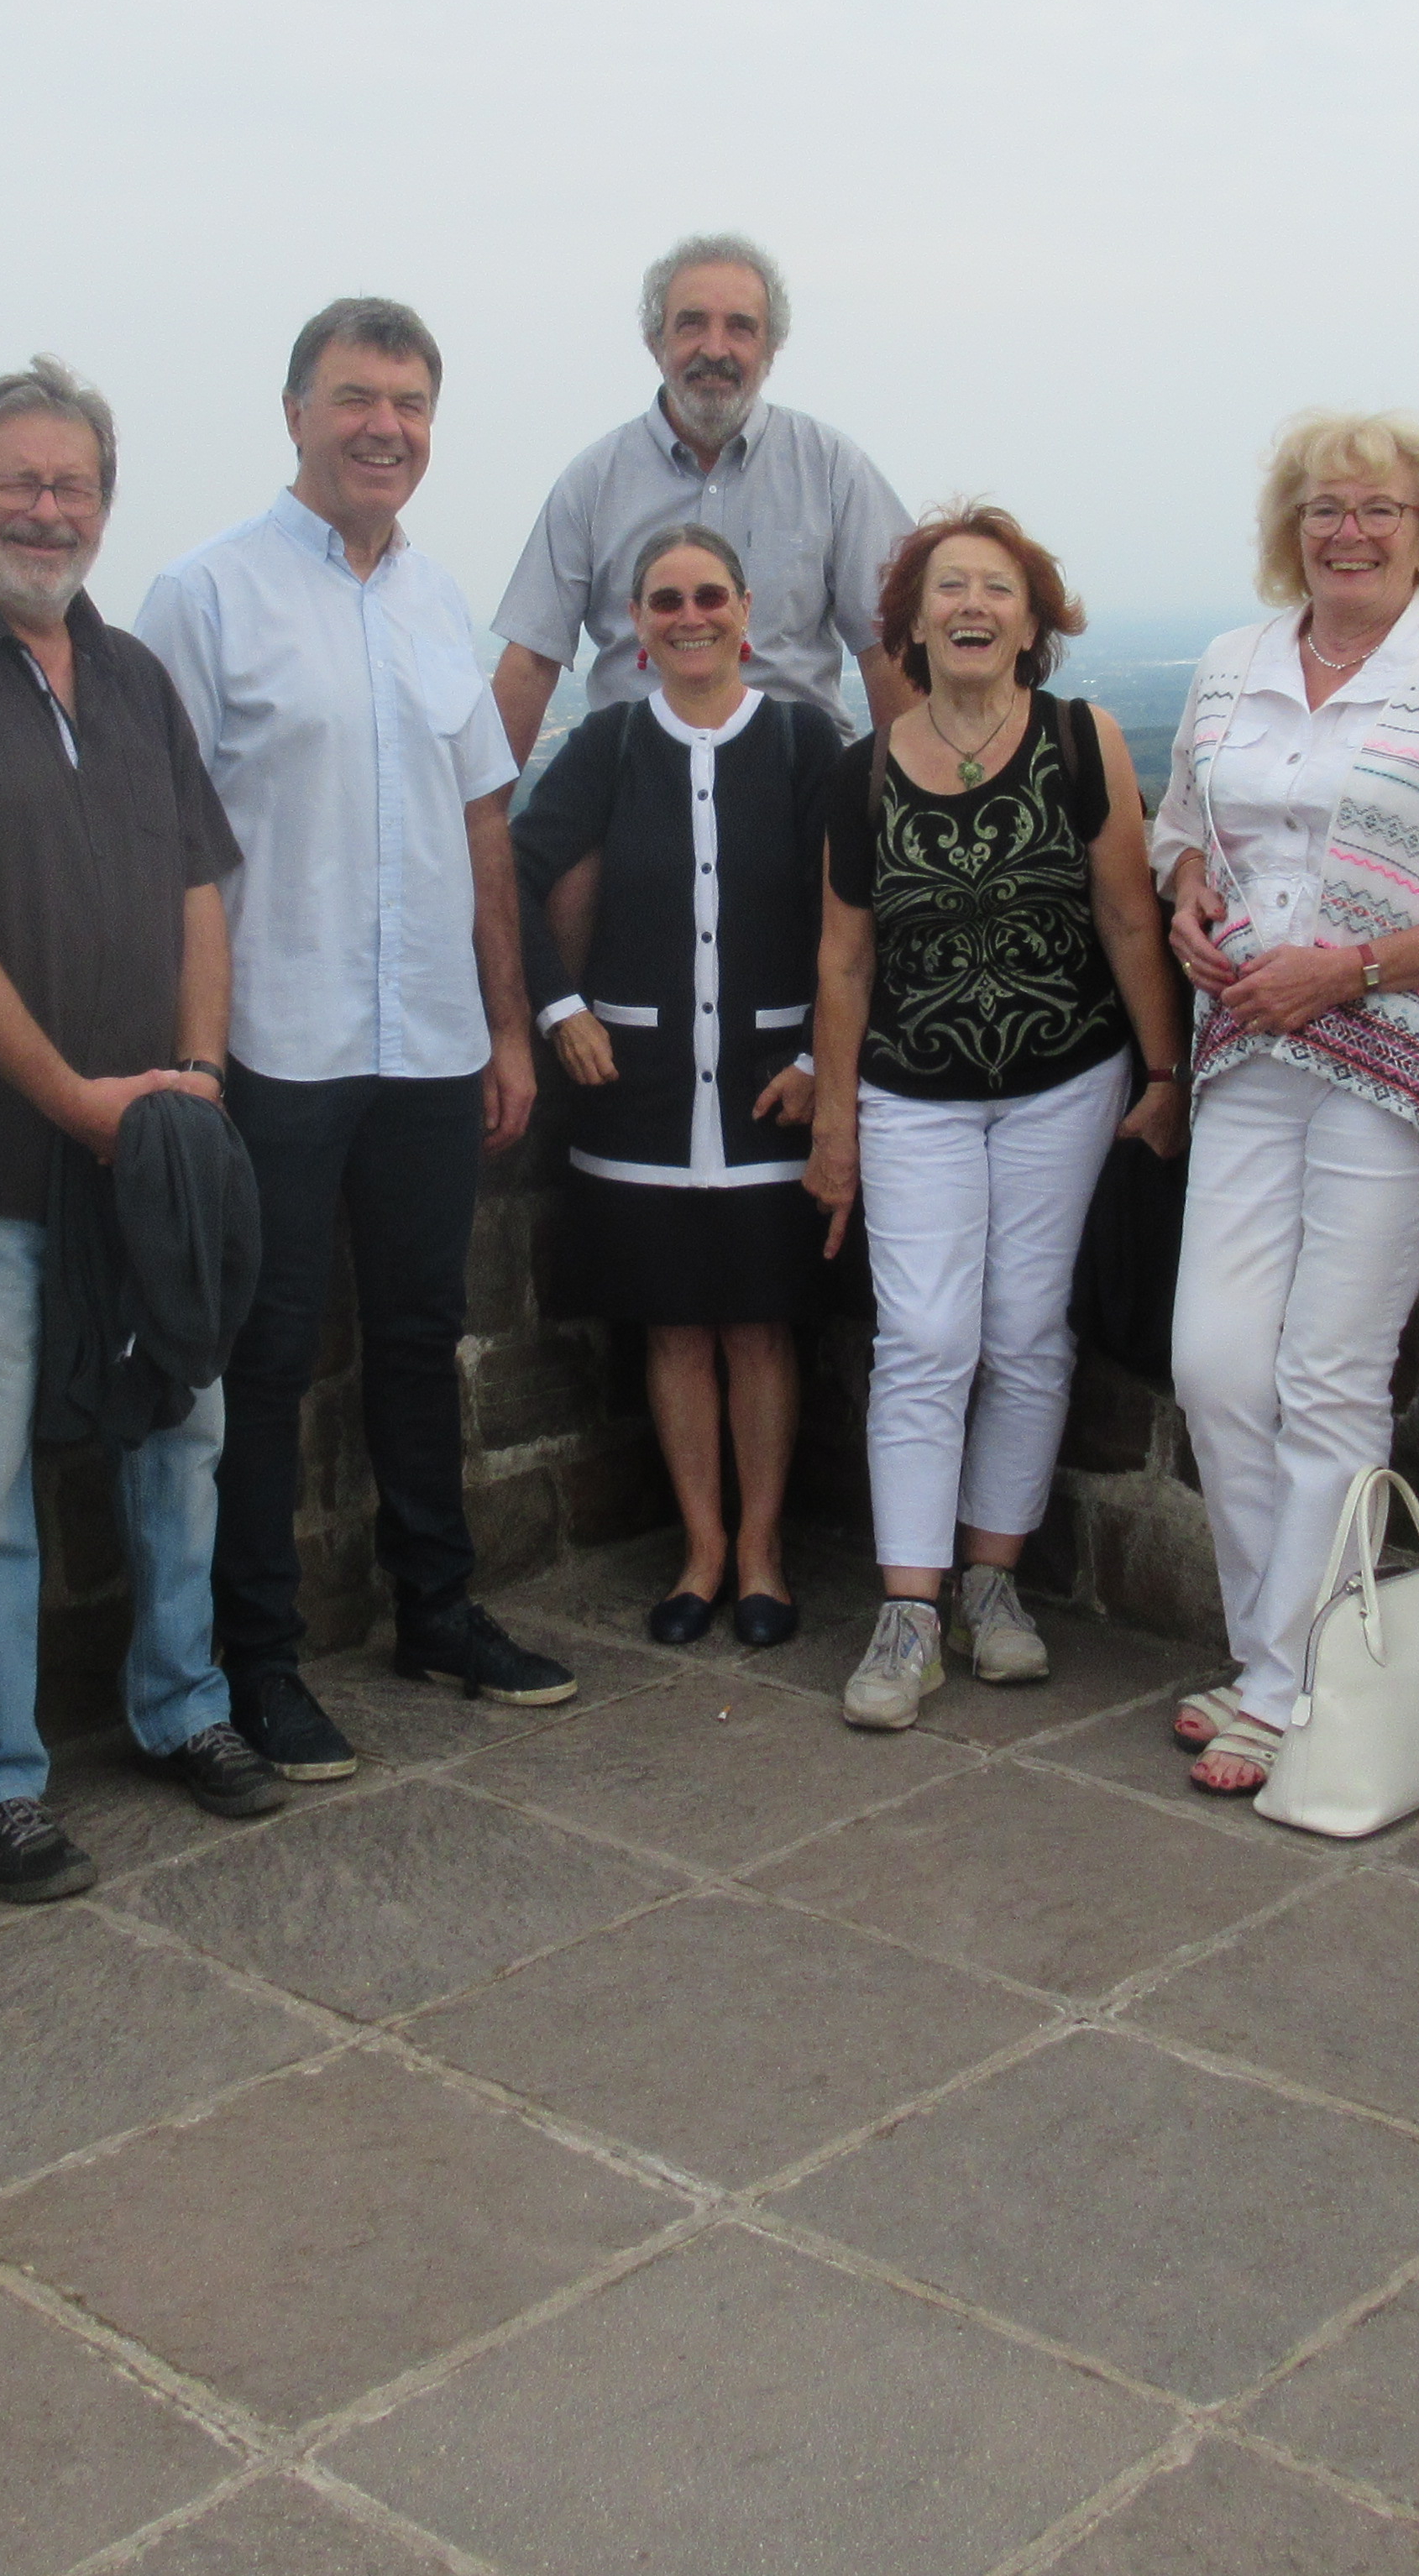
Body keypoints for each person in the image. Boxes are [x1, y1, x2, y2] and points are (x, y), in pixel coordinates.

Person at [139, 297, 579, 1780]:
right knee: (261, 1360)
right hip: (273, 1034)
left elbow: (481, 825)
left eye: (408, 403)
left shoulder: (437, 598)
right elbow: (163, 841)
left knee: (416, 1335)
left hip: (428, 1041)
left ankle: (435, 1611)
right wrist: (192, 1052)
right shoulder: (204, 596)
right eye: (355, 398)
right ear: (294, 413)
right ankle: (256, 1663)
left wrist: (506, 1024)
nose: (384, 426)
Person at [0, 360, 283, 1911]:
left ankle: (183, 1705)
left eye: (73, 486)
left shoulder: (131, 677)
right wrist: (70, 1098)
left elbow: (196, 890)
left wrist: (194, 1074)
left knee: (182, 1436)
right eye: (17, 481)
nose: (45, 511)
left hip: (152, 1148)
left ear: (104, 504)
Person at [1153, 415, 1419, 1800]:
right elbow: (1184, 830)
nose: (1348, 531)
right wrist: (1187, 897)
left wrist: (1349, 968)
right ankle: (1269, 1659)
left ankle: (1288, 1687)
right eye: (1324, 508)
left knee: (1328, 1373)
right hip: (1248, 1044)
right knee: (1215, 1362)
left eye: (1377, 509)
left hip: (1399, 1056)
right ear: (1292, 528)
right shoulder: (1231, 662)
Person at [806, 505, 1187, 1730]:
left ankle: (992, 1583)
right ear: (913, 625)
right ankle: (908, 1613)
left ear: (1033, 624)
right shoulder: (862, 772)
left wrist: (1166, 1075)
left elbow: (1128, 917)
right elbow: (844, 962)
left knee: (1026, 1333)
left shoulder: (1083, 740)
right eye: (948, 588)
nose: (972, 606)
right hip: (912, 1093)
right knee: (924, 1336)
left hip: (1064, 1083)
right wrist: (833, 1127)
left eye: (998, 589)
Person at [509, 524, 848, 1647]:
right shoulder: (608, 745)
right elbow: (509, 873)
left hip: (766, 1090)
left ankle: (763, 1553)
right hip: (641, 1094)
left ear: (746, 613)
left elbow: (851, 915)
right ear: (637, 627)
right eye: (665, 601)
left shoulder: (801, 743)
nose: (689, 616)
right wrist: (558, 1007)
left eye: (709, 596)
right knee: (673, 1330)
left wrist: (819, 1062)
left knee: (759, 1327)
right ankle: (700, 1551)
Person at [487, 233, 918, 757]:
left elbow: (890, 649)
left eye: (740, 327)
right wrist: (488, 805)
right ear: (655, 342)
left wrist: (904, 798)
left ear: (771, 349)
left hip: (800, 784)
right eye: (692, 324)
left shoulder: (832, 471)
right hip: (637, 784)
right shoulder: (592, 483)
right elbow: (531, 662)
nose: (715, 349)